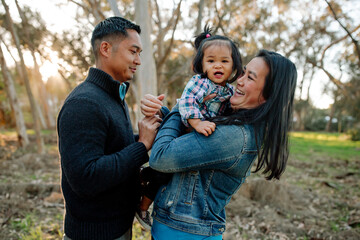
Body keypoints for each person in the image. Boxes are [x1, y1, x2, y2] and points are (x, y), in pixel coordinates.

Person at [141, 49, 297, 239]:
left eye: (250, 78)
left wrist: (182, 107)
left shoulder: (236, 136)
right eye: (244, 72)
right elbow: (184, 142)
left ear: (267, 96)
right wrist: (162, 113)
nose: (239, 80)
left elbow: (161, 157)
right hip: (174, 230)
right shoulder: (229, 117)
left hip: (186, 234)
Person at [57, 16, 164, 240]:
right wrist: (142, 145)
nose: (138, 60)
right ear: (105, 49)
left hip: (117, 228)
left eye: (139, 53)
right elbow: (86, 177)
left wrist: (150, 135)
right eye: (133, 51)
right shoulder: (84, 103)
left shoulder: (113, 97)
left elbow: (111, 148)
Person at [135, 26, 243, 230]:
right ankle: (142, 207)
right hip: (185, 131)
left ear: (234, 66)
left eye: (224, 61)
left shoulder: (229, 90)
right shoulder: (199, 83)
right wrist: (197, 122)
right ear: (201, 65)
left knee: (172, 172)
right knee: (163, 172)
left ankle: (143, 177)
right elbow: (186, 103)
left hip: (199, 137)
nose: (217, 66)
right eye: (211, 61)